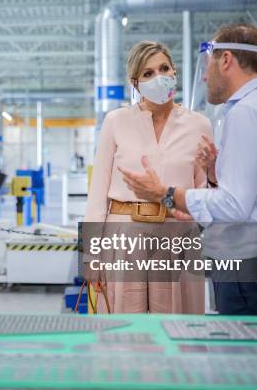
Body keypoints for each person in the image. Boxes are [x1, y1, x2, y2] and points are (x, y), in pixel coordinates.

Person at [119, 23, 257, 316]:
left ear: (226, 60)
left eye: (209, 65)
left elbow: (234, 206)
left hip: (249, 274)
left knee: (243, 358)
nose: (206, 76)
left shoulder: (247, 113)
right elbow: (256, 192)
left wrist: (165, 194)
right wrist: (213, 175)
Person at [84, 40, 212, 314]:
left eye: (164, 68)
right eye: (148, 73)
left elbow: (207, 192)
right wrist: (92, 254)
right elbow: (97, 195)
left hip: (176, 239)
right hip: (123, 237)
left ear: (174, 72)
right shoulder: (115, 122)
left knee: (176, 324)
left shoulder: (198, 124)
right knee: (124, 332)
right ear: (135, 82)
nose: (158, 77)